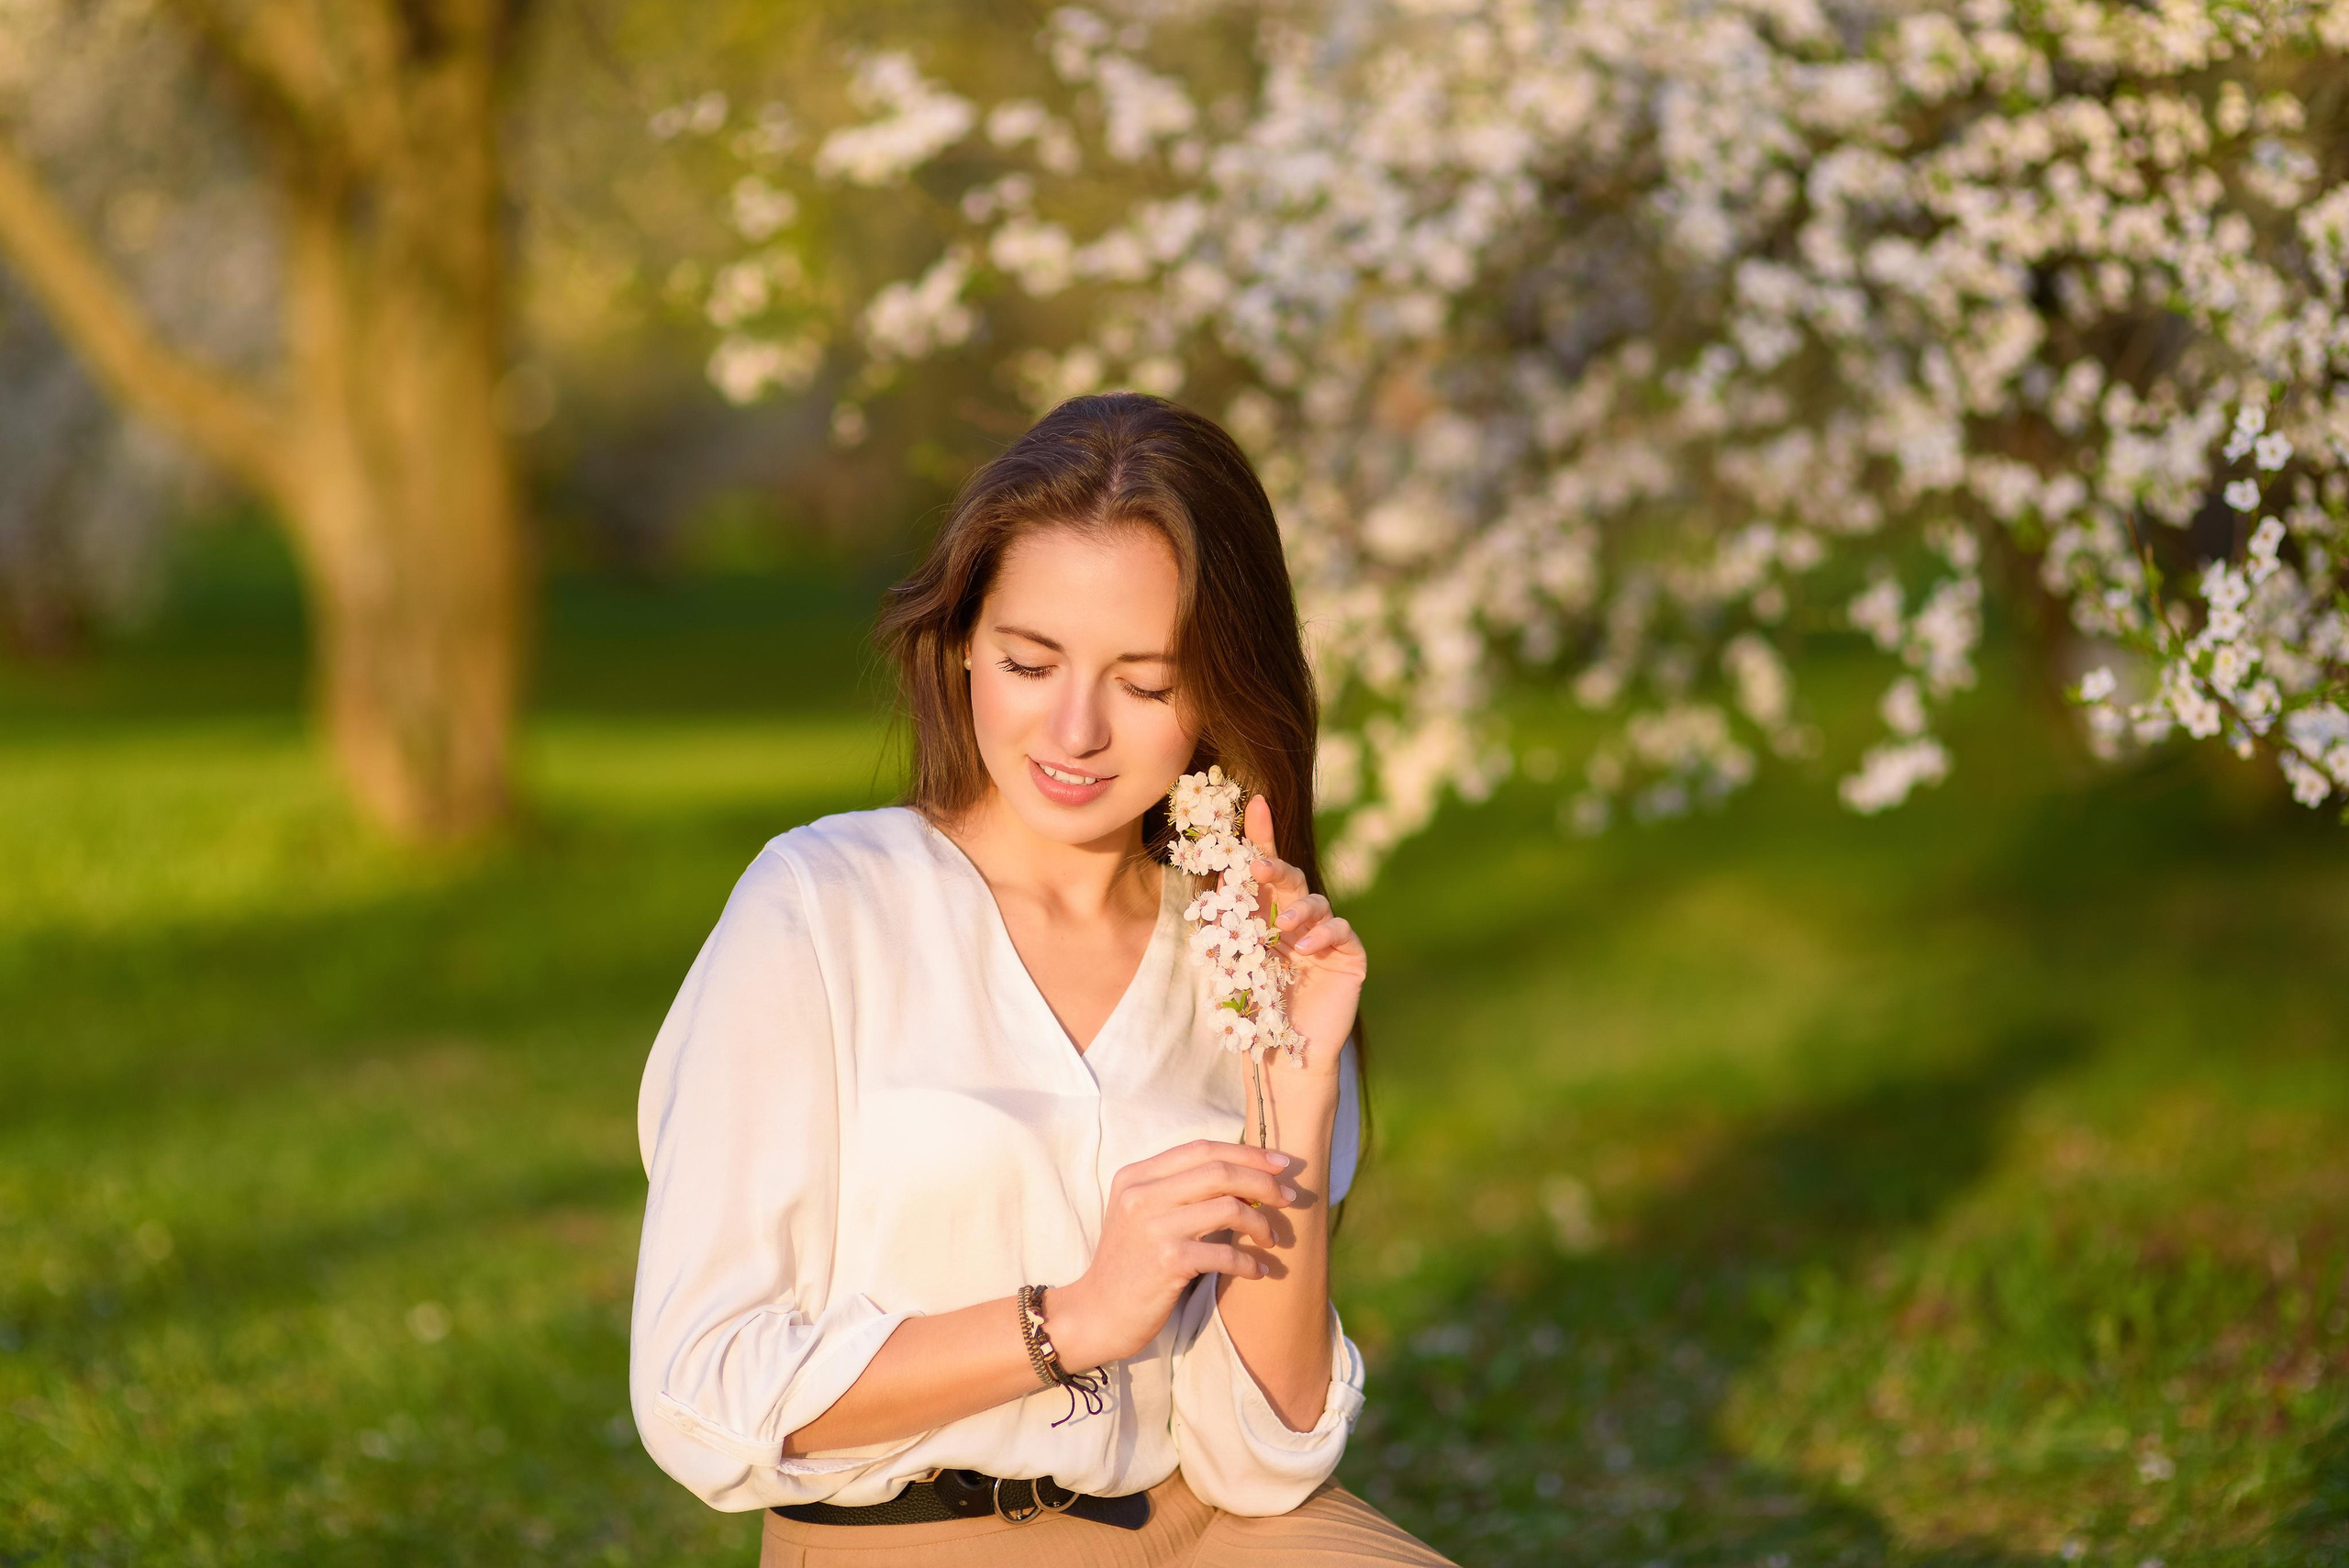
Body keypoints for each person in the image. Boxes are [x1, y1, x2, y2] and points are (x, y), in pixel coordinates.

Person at [629, 393, 1454, 1566]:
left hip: (1210, 1529)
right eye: (1030, 659)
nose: (1073, 729)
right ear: (963, 638)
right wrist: (1068, 1319)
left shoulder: (1242, 955)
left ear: (1217, 693)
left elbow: (1259, 1458)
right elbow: (699, 1390)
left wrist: (1295, 1087)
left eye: (1146, 681)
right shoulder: (819, 908)